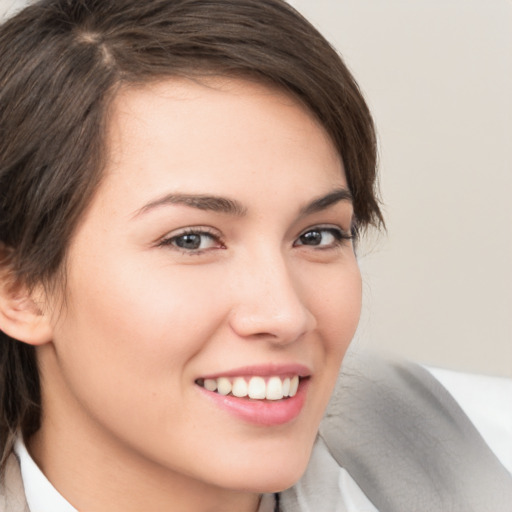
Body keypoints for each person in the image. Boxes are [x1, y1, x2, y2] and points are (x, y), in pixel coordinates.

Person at [0, 1, 510, 511]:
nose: (285, 315)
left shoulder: (483, 451)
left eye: (317, 236)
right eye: (191, 240)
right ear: (18, 288)